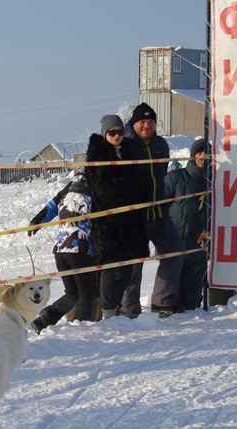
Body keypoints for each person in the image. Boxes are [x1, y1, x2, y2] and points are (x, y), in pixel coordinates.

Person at [121, 103, 185, 318]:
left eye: (150, 121)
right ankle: (128, 312)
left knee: (174, 252)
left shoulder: (161, 145)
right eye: (142, 121)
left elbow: (162, 175)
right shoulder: (125, 144)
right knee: (133, 265)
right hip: (134, 216)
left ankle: (162, 304)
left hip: (159, 212)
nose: (147, 125)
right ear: (134, 123)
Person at [85, 115, 151, 318]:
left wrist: (129, 188)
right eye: (112, 132)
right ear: (105, 133)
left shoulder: (131, 150)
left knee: (129, 269)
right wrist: (127, 187)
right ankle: (108, 311)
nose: (117, 136)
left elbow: (142, 182)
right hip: (108, 223)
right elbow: (104, 190)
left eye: (120, 132)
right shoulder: (96, 156)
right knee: (110, 270)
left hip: (131, 222)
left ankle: (121, 309)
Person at [28, 172, 97, 333]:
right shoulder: (96, 191)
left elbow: (51, 207)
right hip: (80, 249)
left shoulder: (68, 191)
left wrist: (36, 222)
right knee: (85, 292)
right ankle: (82, 328)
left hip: (60, 250)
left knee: (72, 293)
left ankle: (45, 318)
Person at [165, 139, 210, 310]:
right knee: (170, 293)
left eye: (207, 153)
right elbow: (160, 207)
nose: (203, 157)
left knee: (192, 297)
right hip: (175, 242)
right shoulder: (176, 178)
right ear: (192, 156)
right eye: (199, 153)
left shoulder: (214, 183)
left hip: (199, 244)